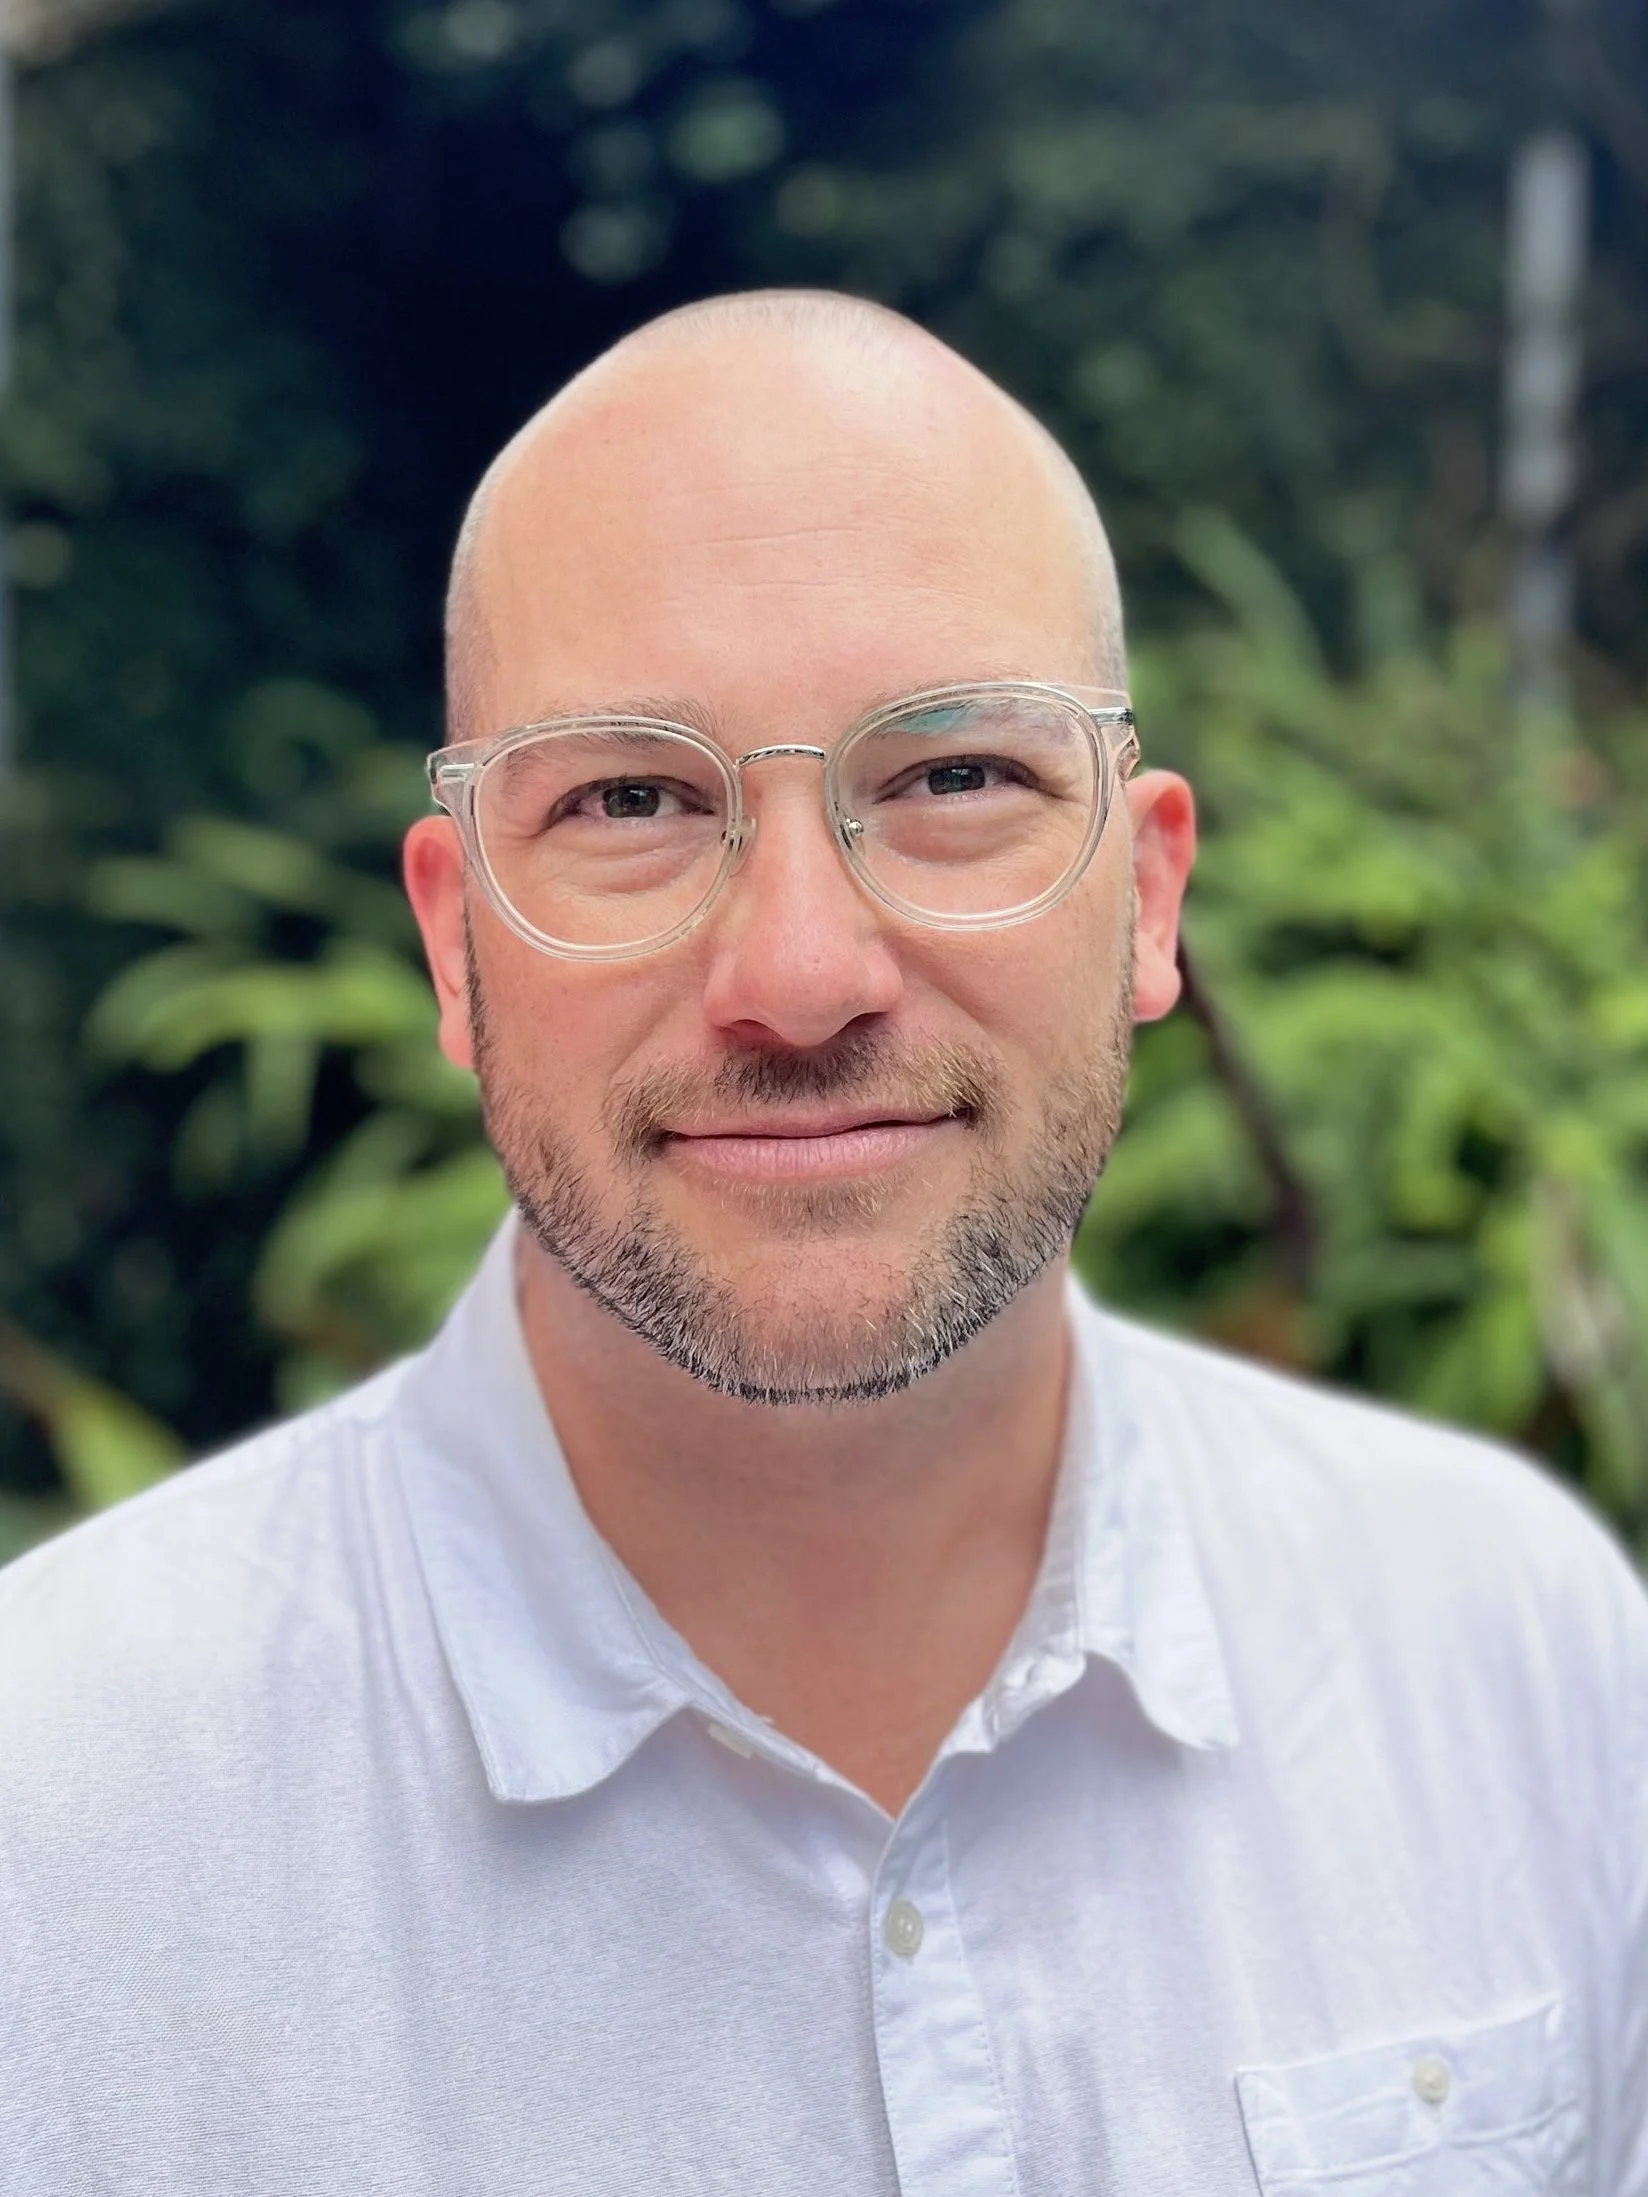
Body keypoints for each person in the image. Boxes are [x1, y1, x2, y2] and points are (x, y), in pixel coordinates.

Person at [0, 289, 1643, 2197]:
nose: (797, 975)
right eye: (629, 799)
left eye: (953, 781)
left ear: (1148, 894)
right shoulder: (56, 1832)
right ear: (455, 942)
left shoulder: (1515, 1646)